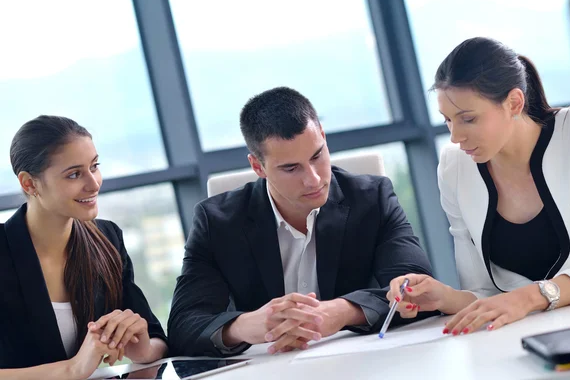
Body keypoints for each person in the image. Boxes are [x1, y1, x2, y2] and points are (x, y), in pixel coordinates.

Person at [168, 86, 437, 357]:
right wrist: (247, 326)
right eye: (291, 168)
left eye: (317, 156)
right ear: (258, 167)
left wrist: (344, 311)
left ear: (322, 135)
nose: (314, 179)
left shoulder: (372, 198)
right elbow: (183, 325)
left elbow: (419, 289)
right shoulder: (217, 222)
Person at [386, 37, 570, 335]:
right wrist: (445, 297)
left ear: (514, 102)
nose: (455, 136)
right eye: (448, 120)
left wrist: (530, 298)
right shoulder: (454, 169)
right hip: (513, 338)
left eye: (468, 119)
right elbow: (483, 291)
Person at [0, 116, 168, 380]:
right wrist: (73, 369)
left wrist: (142, 348)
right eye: (75, 174)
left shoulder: (107, 238)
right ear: (29, 184)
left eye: (94, 166)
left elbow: (158, 341)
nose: (94, 183)